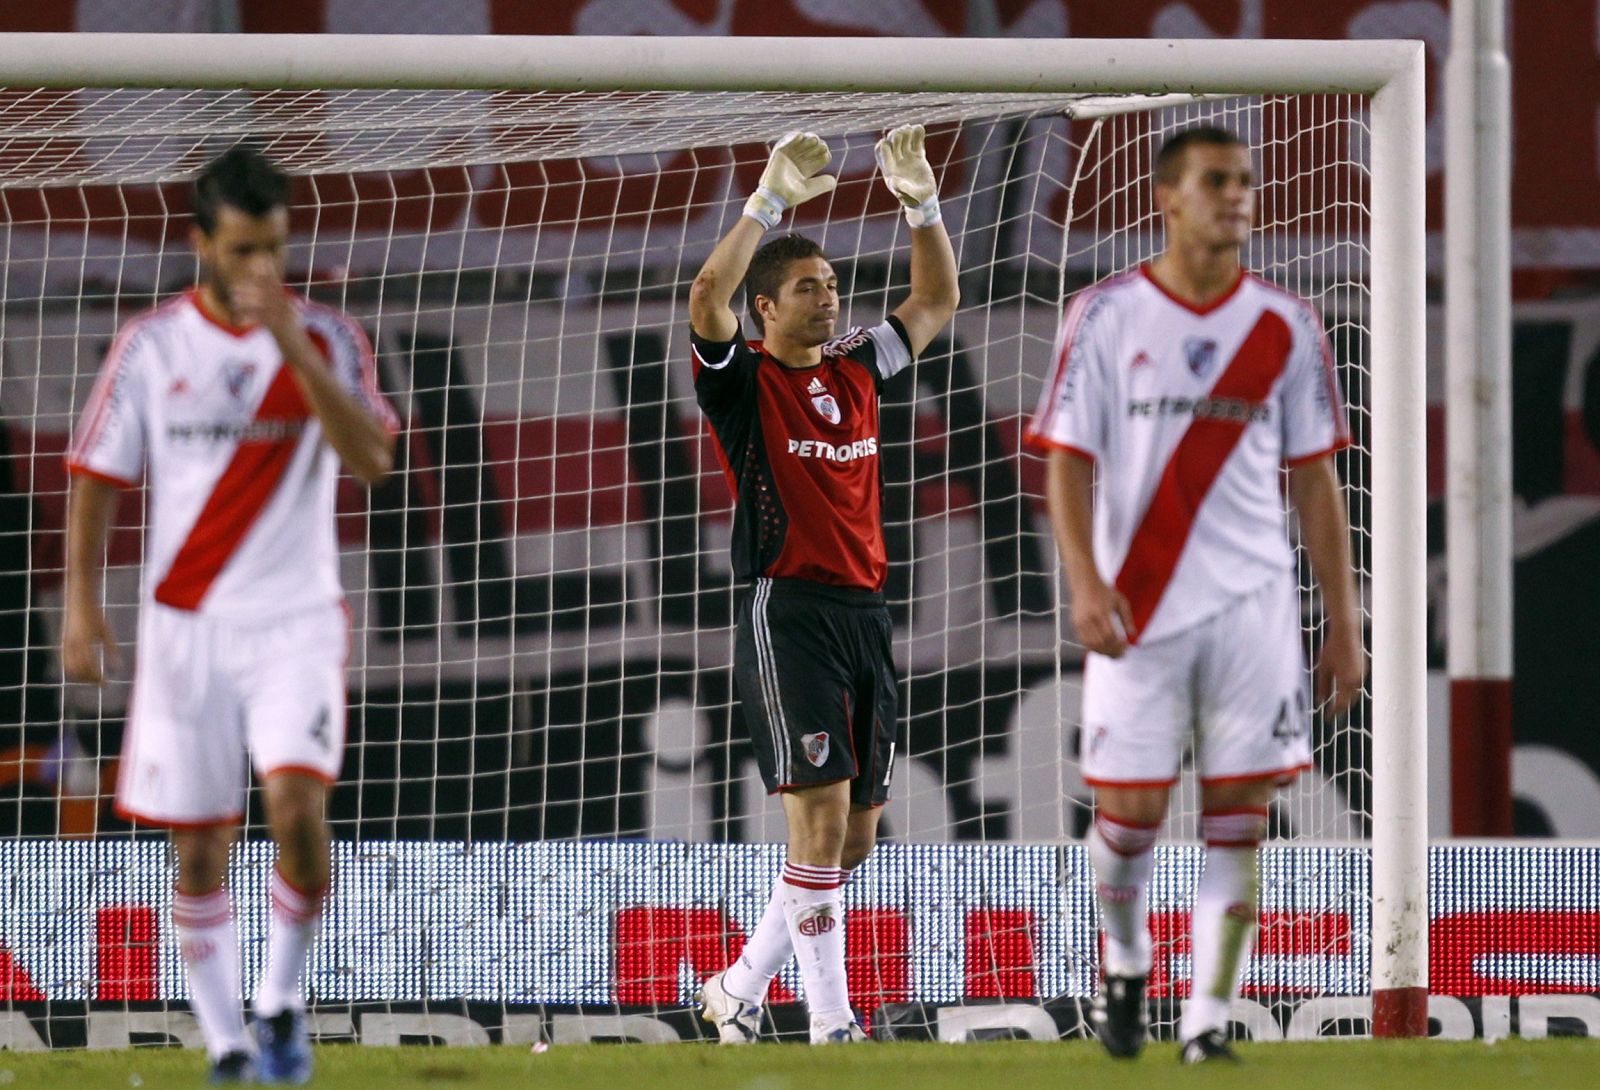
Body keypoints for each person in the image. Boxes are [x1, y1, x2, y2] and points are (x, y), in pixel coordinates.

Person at [1026, 126, 1364, 1064]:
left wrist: (1343, 619)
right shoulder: (1106, 314)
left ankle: (1210, 1021)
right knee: (1127, 826)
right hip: (1138, 608)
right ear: (1168, 197)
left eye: (1247, 182)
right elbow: (1065, 463)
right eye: (1218, 181)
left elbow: (1315, 482)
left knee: (1238, 822)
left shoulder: (1289, 324)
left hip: (1256, 609)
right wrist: (1085, 584)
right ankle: (1126, 959)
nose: (1239, 197)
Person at [61, 146, 398, 1084]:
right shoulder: (152, 345)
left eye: (277, 250)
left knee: (297, 814)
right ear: (201, 241)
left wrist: (288, 342)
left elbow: (373, 459)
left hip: (295, 620)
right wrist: (82, 607)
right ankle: (229, 1046)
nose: (262, 270)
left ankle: (282, 1002)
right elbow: (96, 480)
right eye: (245, 250)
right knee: (200, 848)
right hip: (186, 629)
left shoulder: (328, 338)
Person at [686, 126, 958, 1043]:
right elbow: (704, 294)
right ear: (766, 306)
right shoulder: (742, 381)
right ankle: (835, 1027)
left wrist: (920, 202)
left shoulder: (858, 367)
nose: (829, 297)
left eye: (833, 285)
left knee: (854, 841)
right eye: (809, 287)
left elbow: (937, 297)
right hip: (788, 610)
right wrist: (766, 202)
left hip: (866, 614)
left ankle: (735, 986)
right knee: (820, 824)